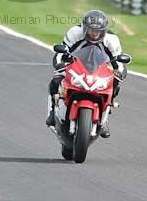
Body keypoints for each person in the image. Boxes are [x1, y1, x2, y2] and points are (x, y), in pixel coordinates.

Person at [45, 10, 126, 138]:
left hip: (99, 68)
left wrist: (119, 72)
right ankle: (52, 112)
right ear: (84, 28)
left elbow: (119, 62)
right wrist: (60, 65)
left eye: (98, 31)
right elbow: (60, 53)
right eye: (91, 30)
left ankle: (104, 118)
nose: (95, 33)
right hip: (75, 64)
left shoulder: (111, 40)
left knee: (115, 83)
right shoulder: (74, 33)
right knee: (55, 80)